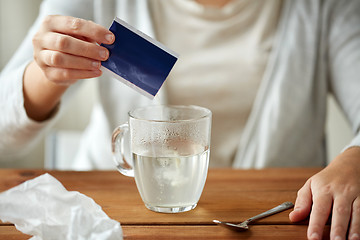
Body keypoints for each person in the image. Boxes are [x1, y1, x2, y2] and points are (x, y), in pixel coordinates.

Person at [0, 0, 359, 239]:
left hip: (275, 219)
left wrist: (355, 159)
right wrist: (45, 73)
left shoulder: (325, 7)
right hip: (113, 219)